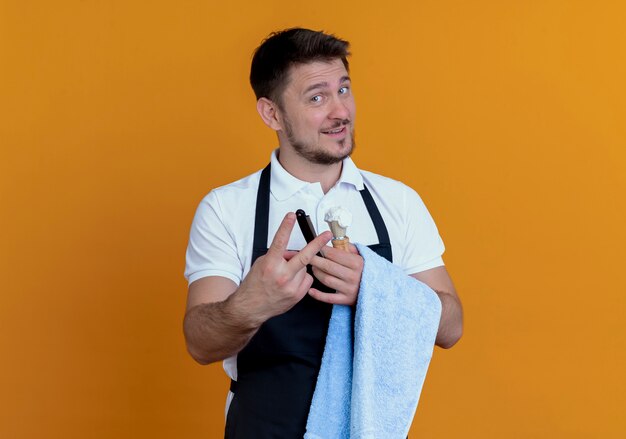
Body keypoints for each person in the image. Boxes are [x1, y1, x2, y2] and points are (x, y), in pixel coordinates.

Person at [183, 28, 463, 438]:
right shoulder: (226, 208)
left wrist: (377, 287)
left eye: (344, 90)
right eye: (317, 97)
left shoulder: (397, 202)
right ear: (271, 113)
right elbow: (200, 343)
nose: (340, 111)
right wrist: (254, 302)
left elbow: (451, 327)